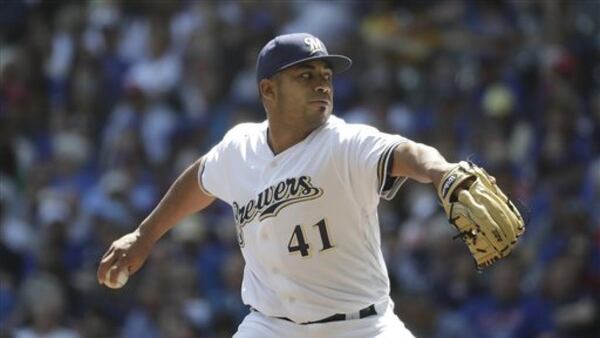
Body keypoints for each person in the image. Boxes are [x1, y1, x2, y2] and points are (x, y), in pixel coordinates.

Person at [97, 33, 458, 338]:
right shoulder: (239, 147)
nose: (322, 83)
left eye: (326, 75)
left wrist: (442, 173)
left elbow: (406, 152)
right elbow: (199, 179)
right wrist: (144, 236)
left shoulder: (344, 143)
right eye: (305, 75)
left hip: (361, 326)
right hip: (271, 327)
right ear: (268, 90)